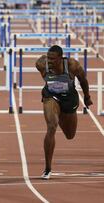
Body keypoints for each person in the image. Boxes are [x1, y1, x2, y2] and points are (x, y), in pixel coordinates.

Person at [35, 45, 93, 180]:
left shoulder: (73, 66)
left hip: (69, 99)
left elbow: (83, 80)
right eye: (48, 58)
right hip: (51, 96)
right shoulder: (41, 64)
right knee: (51, 126)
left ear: (61, 59)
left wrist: (87, 96)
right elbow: (43, 65)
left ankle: (60, 113)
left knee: (70, 135)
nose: (49, 61)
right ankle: (47, 168)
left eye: (53, 59)